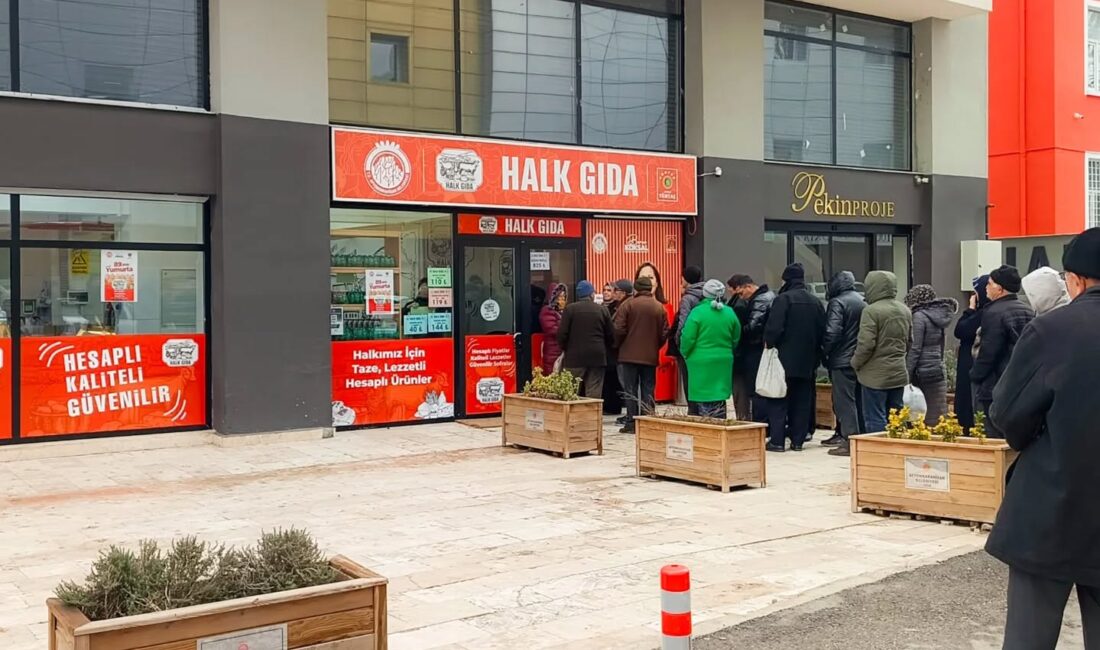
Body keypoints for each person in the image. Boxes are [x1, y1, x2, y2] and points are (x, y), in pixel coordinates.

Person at [985, 228, 1100, 649]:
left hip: (1050, 507)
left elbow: (1007, 414)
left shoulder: (1053, 330)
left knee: (1029, 639)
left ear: (1075, 279)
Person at [762, 263, 825, 451]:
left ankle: (778, 441)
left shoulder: (783, 300)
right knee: (802, 401)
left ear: (786, 279)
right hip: (808, 361)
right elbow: (823, 330)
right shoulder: (815, 301)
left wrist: (768, 343)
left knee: (778, 398)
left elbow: (774, 329)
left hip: (783, 360)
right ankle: (798, 441)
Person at [970, 265, 1034, 426]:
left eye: (990, 283)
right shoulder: (1027, 310)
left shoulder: (994, 312)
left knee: (989, 434)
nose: (986, 287)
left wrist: (975, 375)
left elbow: (989, 351)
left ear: (1000, 288)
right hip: (1018, 382)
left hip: (994, 384)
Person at [851, 271, 912, 435]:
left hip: (874, 376)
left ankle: (879, 454)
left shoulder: (871, 311)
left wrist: (855, 363)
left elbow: (866, 344)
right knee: (897, 416)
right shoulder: (905, 310)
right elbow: (909, 342)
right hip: (898, 372)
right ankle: (899, 450)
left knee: (875, 417)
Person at [613, 275, 669, 433]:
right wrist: (655, 346)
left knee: (630, 389)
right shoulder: (659, 307)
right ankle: (648, 421)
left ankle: (631, 423)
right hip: (650, 356)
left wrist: (619, 345)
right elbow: (665, 332)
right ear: (650, 289)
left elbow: (618, 329)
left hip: (628, 355)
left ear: (635, 289)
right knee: (648, 388)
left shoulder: (627, 305)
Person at [680, 279, 741, 418]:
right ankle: (720, 429)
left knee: (704, 399)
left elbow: (687, 338)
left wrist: (685, 353)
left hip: (700, 362)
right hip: (723, 361)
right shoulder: (729, 312)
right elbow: (736, 337)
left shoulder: (698, 312)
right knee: (719, 397)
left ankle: (710, 431)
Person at [821, 271, 866, 456]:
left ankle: (849, 441)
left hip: (841, 359)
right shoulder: (862, 301)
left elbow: (832, 332)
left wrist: (824, 351)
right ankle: (859, 437)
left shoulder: (837, 302)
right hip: (859, 359)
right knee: (858, 400)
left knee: (844, 402)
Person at [904, 285, 959, 425]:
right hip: (936, 367)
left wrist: (907, 373)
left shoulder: (918, 317)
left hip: (922, 369)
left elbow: (916, 348)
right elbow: (941, 343)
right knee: (938, 409)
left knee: (921, 409)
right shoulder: (939, 316)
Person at [729, 275, 776, 422]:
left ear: (748, 286)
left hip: (756, 349)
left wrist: (736, 331)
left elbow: (752, 327)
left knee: (757, 391)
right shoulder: (767, 296)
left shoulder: (760, 300)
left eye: (741, 293)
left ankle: (760, 422)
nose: (741, 298)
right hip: (762, 348)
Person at [557, 281, 613, 399]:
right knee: (594, 392)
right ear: (592, 294)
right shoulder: (602, 310)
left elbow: (562, 334)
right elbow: (611, 335)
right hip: (597, 357)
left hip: (574, 357)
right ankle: (592, 416)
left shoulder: (570, 310)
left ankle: (572, 416)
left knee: (571, 391)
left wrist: (566, 348)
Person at [953, 275, 990, 431]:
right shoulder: (985, 312)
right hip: (973, 364)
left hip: (973, 365)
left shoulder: (983, 314)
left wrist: (969, 310)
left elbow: (961, 330)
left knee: (969, 405)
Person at [673, 266, 706, 411]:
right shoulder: (707, 295)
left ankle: (693, 412)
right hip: (703, 344)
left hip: (689, 346)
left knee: (689, 381)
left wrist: (678, 342)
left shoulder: (687, 298)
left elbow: (683, 323)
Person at [602, 279, 634, 418]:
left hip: (623, 351)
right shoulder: (622, 305)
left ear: (622, 293)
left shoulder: (624, 306)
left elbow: (619, 330)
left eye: (614, 290)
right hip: (624, 351)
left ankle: (631, 415)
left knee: (627, 384)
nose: (611, 293)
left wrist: (614, 343)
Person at [539, 283, 567, 374]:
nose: (562, 299)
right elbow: (552, 330)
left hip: (560, 351)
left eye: (563, 297)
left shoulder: (562, 311)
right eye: (560, 296)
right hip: (552, 352)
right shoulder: (547, 310)